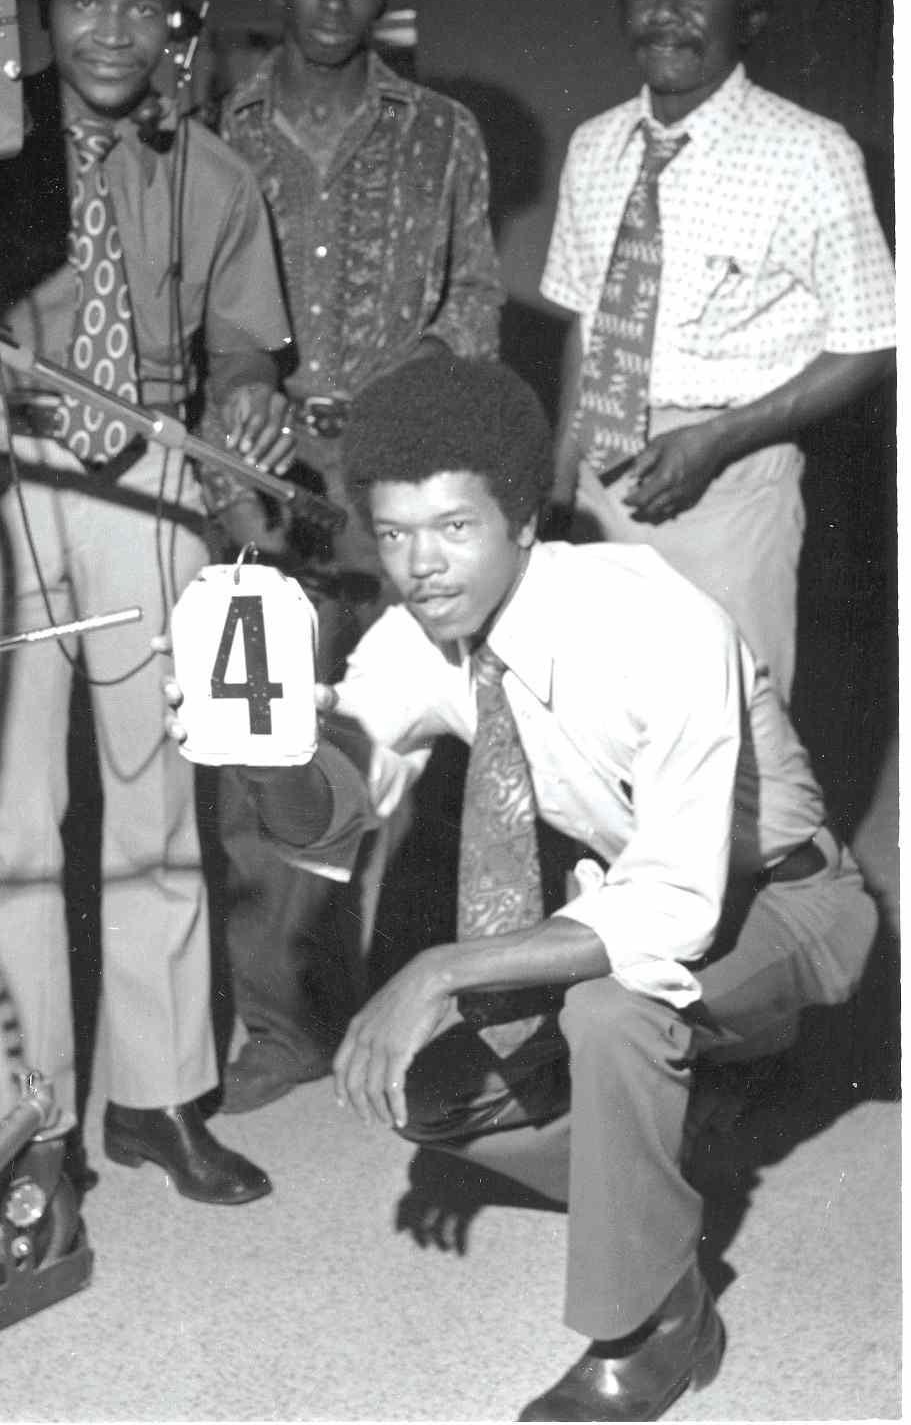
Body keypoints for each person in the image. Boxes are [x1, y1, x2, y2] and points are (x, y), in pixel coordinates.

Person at [164, 351, 876, 1420]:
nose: (420, 566)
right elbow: (339, 815)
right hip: (625, 897)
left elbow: (675, 903)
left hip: (788, 898)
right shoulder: (415, 640)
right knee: (416, 1090)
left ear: (522, 523)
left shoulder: (654, 621)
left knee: (609, 1006)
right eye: (394, 534)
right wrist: (257, 754)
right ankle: (661, 1201)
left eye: (453, 528)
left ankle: (645, 1329)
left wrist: (443, 968)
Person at [0, 0, 294, 1292]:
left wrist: (251, 405)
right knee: (16, 817)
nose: (109, 29)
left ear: (177, 29)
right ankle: (14, 1123)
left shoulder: (211, 172)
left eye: (140, 6)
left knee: (155, 807)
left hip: (147, 481)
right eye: (84, 0)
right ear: (42, 13)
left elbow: (246, 348)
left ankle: (156, 1099)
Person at [214, 0, 505, 1113]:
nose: (333, 2)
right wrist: (235, 397)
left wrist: (404, 398)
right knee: (256, 750)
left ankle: (391, 1004)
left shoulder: (442, 134)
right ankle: (279, 1021)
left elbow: (477, 305)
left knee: (389, 751)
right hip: (250, 487)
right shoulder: (209, 135)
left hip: (392, 482)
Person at [542, 0, 895, 702]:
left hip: (728, 486)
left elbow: (871, 342)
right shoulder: (593, 148)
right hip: (600, 477)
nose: (667, 15)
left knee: (732, 732)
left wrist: (720, 439)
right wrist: (560, 483)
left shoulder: (807, 153)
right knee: (607, 723)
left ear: (750, 14)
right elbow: (585, 325)